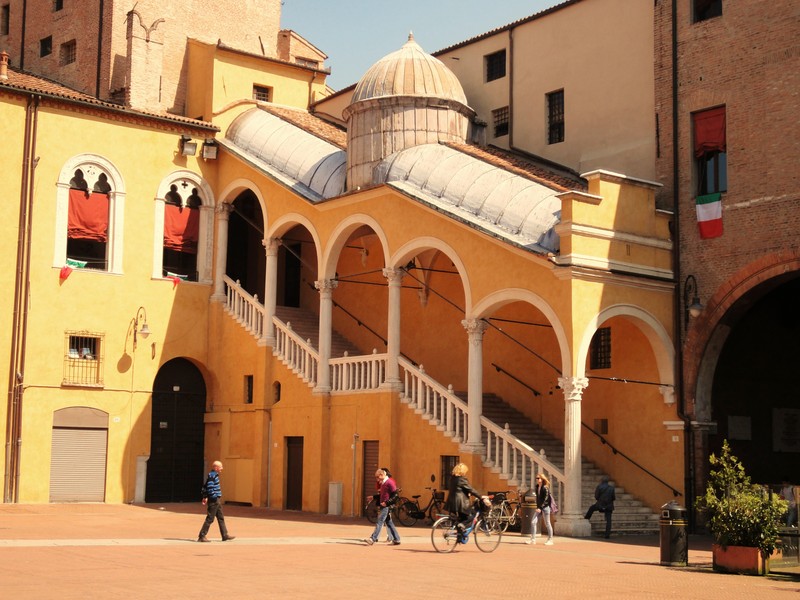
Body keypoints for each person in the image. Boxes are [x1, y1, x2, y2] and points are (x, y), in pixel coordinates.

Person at [446, 462, 489, 537]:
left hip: (451, 502)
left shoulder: (452, 478)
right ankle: (461, 526)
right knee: (471, 516)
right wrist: (480, 496)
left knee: (461, 518)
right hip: (460, 503)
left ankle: (459, 536)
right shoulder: (462, 479)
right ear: (463, 471)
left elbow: (458, 489)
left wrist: (467, 492)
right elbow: (471, 489)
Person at [198, 461, 235, 542]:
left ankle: (224, 535)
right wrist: (213, 496)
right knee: (210, 518)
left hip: (216, 499)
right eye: (221, 467)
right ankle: (202, 535)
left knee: (220, 517)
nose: (222, 468)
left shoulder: (214, 475)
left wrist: (206, 496)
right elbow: (209, 486)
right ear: (216, 468)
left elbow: (206, 486)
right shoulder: (212, 475)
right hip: (214, 500)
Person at [364, 468, 401, 546]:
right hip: (383, 505)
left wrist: (387, 503)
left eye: (377, 477)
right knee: (389, 523)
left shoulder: (389, 482)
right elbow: (382, 495)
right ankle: (397, 539)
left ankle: (373, 539)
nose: (377, 479)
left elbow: (396, 495)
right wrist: (373, 497)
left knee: (380, 521)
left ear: (382, 475)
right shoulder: (383, 483)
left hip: (386, 506)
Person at [526, 474, 554, 545]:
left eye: (538, 478)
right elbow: (538, 499)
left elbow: (546, 499)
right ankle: (533, 539)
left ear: (542, 479)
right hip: (539, 508)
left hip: (545, 508)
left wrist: (540, 508)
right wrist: (538, 507)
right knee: (533, 522)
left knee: (547, 523)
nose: (537, 479)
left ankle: (550, 539)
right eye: (536, 478)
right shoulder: (537, 487)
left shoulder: (545, 488)